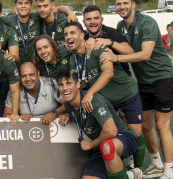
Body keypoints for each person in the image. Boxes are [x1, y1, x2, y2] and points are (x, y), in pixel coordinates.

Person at [100, 0, 173, 179]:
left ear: (133, 4)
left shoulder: (147, 23)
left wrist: (115, 57)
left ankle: (169, 174)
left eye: (125, 3)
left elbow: (145, 55)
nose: (122, 7)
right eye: (118, 4)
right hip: (142, 82)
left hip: (162, 78)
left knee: (162, 126)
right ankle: (156, 163)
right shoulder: (120, 25)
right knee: (145, 126)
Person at [57, 71, 147, 179]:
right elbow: (76, 112)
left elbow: (111, 131)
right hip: (103, 145)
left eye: (69, 83)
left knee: (108, 146)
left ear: (78, 85)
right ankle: (131, 176)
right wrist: (66, 116)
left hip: (122, 137)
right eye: (61, 85)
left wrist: (91, 145)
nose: (65, 88)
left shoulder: (93, 100)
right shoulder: (69, 105)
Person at [61, 22, 145, 151]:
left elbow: (108, 73)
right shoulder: (73, 60)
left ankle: (138, 167)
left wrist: (90, 93)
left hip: (125, 93)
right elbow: (78, 85)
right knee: (114, 133)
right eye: (66, 34)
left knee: (136, 132)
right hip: (107, 99)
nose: (68, 36)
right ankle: (124, 163)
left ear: (82, 35)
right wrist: (69, 112)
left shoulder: (97, 47)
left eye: (72, 33)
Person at [81, 5, 133, 75]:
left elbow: (131, 52)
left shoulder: (111, 33)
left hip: (119, 80)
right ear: (84, 22)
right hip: (98, 79)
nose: (92, 22)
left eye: (96, 18)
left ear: (102, 20)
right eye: (88, 19)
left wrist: (111, 42)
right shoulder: (84, 37)